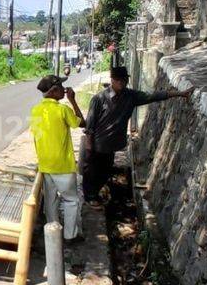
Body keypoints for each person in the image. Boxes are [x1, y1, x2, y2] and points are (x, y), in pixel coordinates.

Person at [81, 66, 194, 207]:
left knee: (105, 172)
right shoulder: (99, 99)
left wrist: (179, 94)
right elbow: (90, 125)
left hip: (111, 145)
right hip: (98, 144)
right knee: (92, 172)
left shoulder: (130, 96)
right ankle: (90, 197)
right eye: (118, 80)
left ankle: (95, 194)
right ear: (112, 80)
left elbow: (152, 96)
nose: (122, 83)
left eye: (124, 80)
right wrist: (89, 145)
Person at [30, 75, 86, 241]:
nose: (64, 89)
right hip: (63, 166)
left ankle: (52, 234)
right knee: (71, 201)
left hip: (45, 165)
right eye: (61, 87)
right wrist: (73, 100)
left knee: (51, 202)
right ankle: (71, 235)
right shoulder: (62, 110)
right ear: (54, 91)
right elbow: (82, 123)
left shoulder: (35, 110)